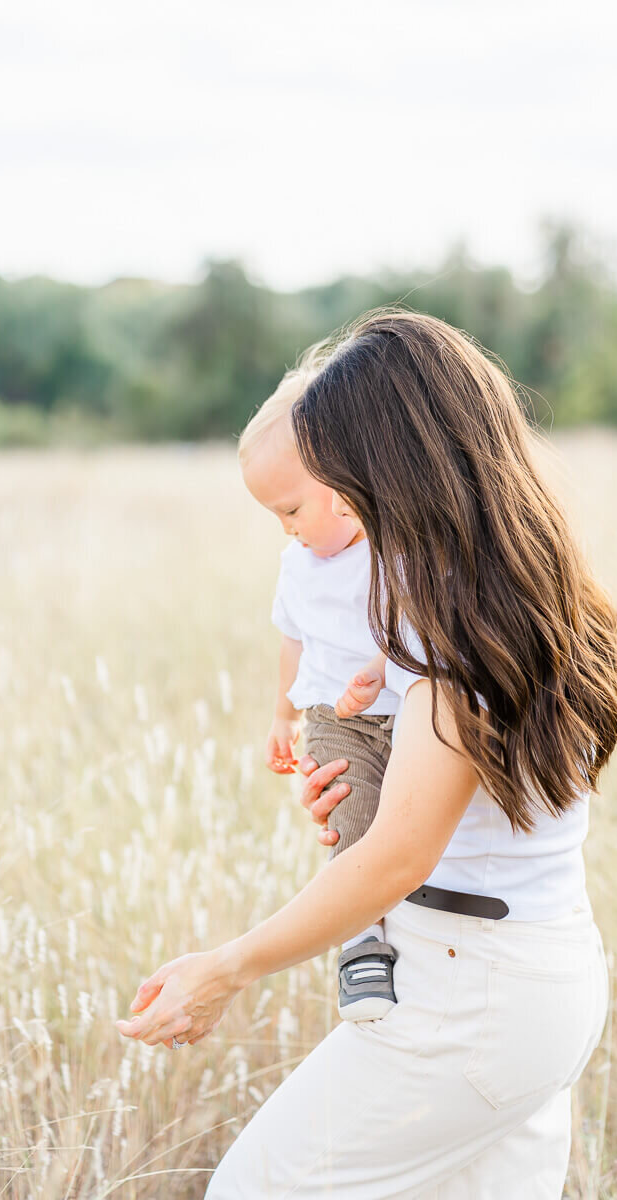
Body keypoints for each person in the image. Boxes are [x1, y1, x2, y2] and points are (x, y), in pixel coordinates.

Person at [115, 307, 617, 1198]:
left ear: (396, 461)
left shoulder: (456, 640)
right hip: (535, 975)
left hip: (471, 995)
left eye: (341, 469)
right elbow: (439, 806)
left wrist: (226, 967)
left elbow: (399, 854)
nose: (337, 496)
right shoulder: (515, 595)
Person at [237, 363, 404, 1021]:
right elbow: (293, 640)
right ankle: (362, 943)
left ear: (342, 480)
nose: (288, 529)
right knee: (347, 811)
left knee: (412, 822)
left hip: (407, 708)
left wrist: (385, 668)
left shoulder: (395, 544)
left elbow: (421, 628)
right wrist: (282, 714)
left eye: (291, 510)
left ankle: (407, 924)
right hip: (336, 717)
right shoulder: (298, 566)